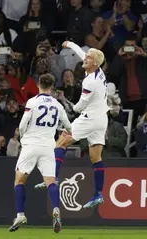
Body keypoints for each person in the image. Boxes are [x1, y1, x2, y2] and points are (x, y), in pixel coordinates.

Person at [34, 41, 109, 209]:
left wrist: (66, 103)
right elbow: (83, 55)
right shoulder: (98, 70)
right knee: (95, 157)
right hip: (101, 119)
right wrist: (70, 44)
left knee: (61, 141)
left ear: (94, 63)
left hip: (89, 117)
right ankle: (98, 194)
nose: (85, 58)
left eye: (88, 57)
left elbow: (79, 107)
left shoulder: (90, 82)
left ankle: (53, 178)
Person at [9, 74, 71, 234]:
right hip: (48, 147)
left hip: (31, 144)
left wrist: (23, 137)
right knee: (51, 181)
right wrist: (65, 132)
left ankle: (20, 215)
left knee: (19, 181)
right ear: (52, 87)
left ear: (38, 84)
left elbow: (23, 124)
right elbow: (68, 126)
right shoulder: (57, 105)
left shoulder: (32, 102)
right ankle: (56, 209)